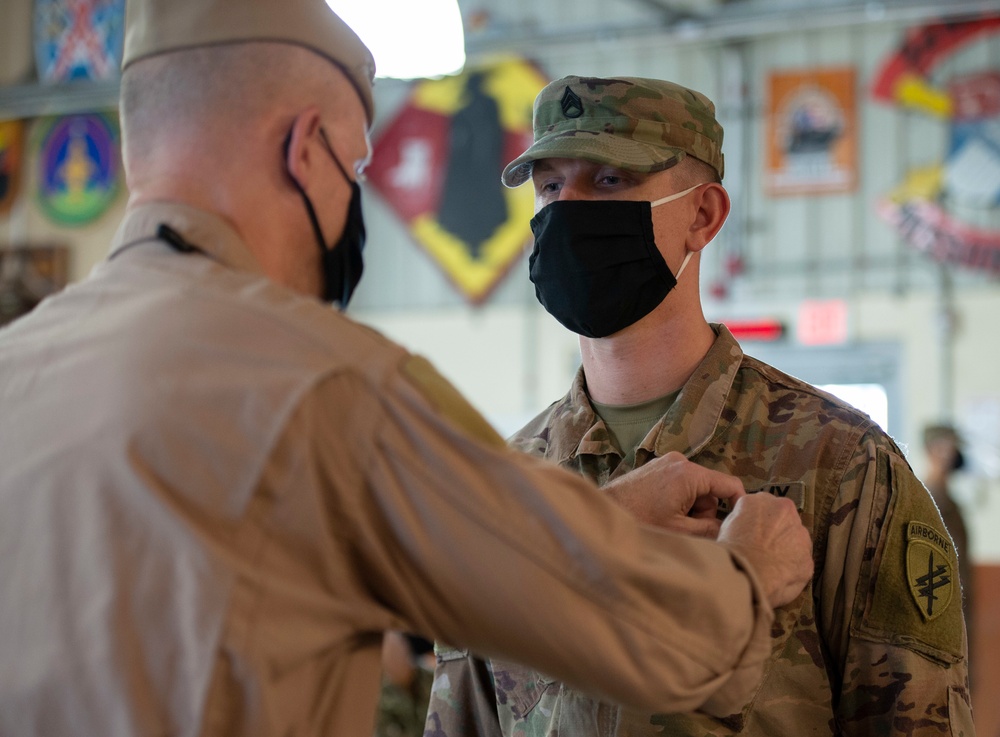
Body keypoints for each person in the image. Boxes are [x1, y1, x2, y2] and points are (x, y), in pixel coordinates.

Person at [0, 4, 817, 735]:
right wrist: (749, 574)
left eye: (609, 180)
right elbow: (657, 643)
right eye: (356, 167)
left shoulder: (20, 371)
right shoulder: (332, 390)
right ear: (305, 148)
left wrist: (596, 519)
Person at [424, 76, 975, 737]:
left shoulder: (841, 465)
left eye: (606, 183)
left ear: (704, 215)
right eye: (549, 186)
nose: (565, 211)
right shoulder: (503, 486)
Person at [923, 423, 973, 633]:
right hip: (938, 604)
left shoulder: (950, 500)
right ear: (934, 450)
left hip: (956, 600)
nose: (955, 454)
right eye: (949, 446)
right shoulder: (927, 498)